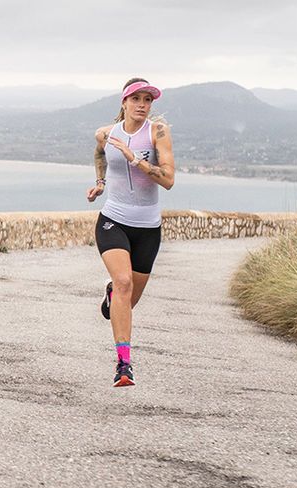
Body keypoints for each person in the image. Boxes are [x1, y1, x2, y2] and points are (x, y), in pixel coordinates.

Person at [85, 78, 175, 387]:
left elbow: (168, 180)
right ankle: (124, 365)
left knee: (127, 300)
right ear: (124, 102)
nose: (142, 104)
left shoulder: (158, 133)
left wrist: (135, 159)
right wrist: (101, 182)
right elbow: (99, 153)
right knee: (123, 282)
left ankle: (112, 296)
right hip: (114, 220)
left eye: (148, 100)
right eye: (136, 98)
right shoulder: (107, 134)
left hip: (148, 228)